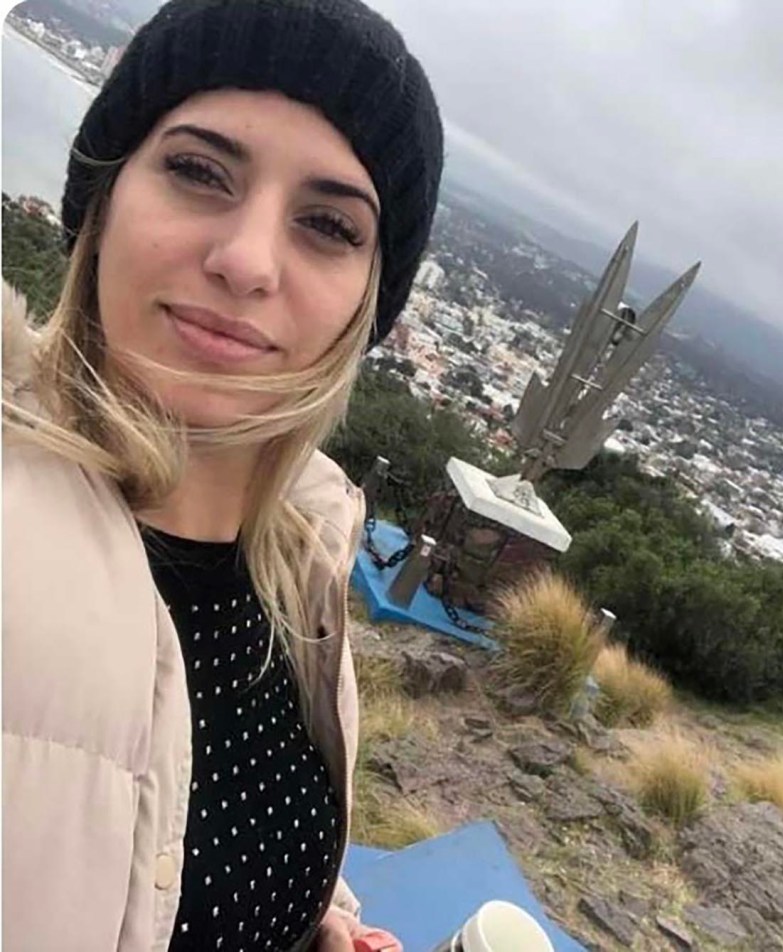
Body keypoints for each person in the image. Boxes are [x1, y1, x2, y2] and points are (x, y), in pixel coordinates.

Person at [1, 0, 442, 949]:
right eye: (199, 171)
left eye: (328, 225)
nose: (246, 261)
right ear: (105, 195)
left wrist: (312, 921)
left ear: (366, 303)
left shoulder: (302, 561)